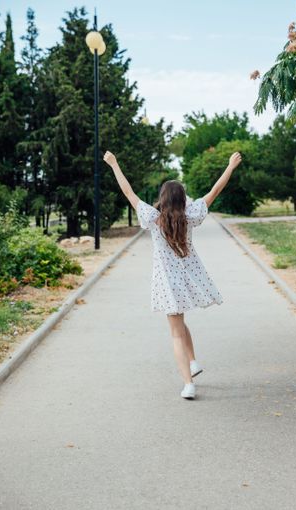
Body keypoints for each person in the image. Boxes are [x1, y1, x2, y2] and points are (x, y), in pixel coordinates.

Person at [103, 150, 242, 400]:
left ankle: (188, 384)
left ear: (162, 199)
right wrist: (230, 166)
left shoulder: (153, 218)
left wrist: (114, 164)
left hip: (167, 283)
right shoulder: (190, 217)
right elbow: (215, 191)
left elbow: (128, 192)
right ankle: (193, 362)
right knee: (180, 323)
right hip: (187, 280)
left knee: (176, 331)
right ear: (182, 200)